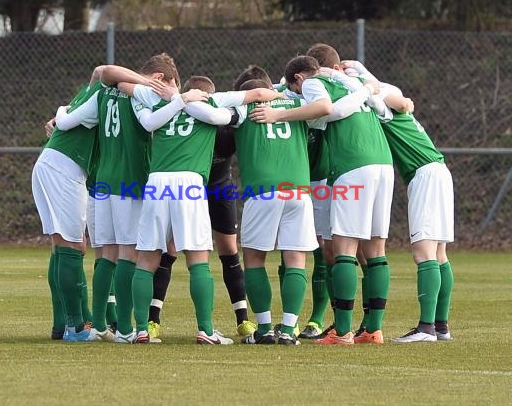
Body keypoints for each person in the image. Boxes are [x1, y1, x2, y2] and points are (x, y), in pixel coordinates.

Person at [55, 55, 208, 343]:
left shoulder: (104, 93)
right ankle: (125, 329)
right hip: (130, 181)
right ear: (161, 79)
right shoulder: (147, 94)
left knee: (106, 253)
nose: (169, 93)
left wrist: (60, 113)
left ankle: (99, 323)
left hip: (101, 182)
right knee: (129, 254)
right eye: (172, 85)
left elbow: (69, 119)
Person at [251, 49, 394, 345]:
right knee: (375, 250)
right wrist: (365, 85)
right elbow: (385, 111)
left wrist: (278, 113)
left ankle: (342, 332)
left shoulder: (315, 83)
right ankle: (372, 329)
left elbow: (326, 109)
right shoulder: (349, 82)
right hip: (384, 163)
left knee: (343, 248)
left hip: (354, 164)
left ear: (300, 78)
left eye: (296, 88)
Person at [125, 75, 278, 344]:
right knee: (198, 260)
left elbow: (121, 84)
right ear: (207, 93)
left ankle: (141, 329)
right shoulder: (214, 101)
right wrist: (282, 95)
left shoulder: (160, 104)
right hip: (189, 182)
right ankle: (206, 330)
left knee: (147, 259)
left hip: (158, 181)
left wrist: (173, 96)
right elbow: (256, 95)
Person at [342, 60, 455, 342]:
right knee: (439, 254)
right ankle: (440, 326)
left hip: (425, 174)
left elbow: (393, 99)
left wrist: (354, 74)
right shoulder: (389, 107)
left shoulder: (383, 108)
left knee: (423, 252)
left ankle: (426, 328)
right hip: (437, 170)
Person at [232, 78, 321, 345]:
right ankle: (289, 330)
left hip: (263, 189)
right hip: (298, 189)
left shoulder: (242, 108)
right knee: (296, 259)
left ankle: (264, 329)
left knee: (255, 259)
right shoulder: (298, 103)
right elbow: (325, 108)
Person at [32, 78, 102, 342]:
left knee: (61, 246)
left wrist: (59, 115)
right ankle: (76, 327)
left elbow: (64, 114)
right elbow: (102, 70)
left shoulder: (88, 94)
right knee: (73, 246)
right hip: (63, 170)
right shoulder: (103, 92)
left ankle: (63, 324)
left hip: (52, 164)